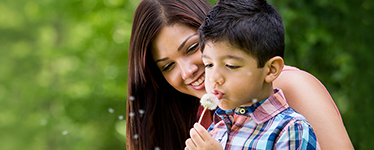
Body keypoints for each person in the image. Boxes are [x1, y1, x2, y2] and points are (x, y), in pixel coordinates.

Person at [127, 0, 353, 149]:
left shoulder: (289, 90)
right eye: (167, 66)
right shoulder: (212, 120)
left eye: (192, 48)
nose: (187, 72)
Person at [185, 0, 319, 149]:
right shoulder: (218, 127)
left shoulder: (290, 130)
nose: (214, 78)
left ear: (271, 69)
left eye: (231, 66)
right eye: (208, 65)